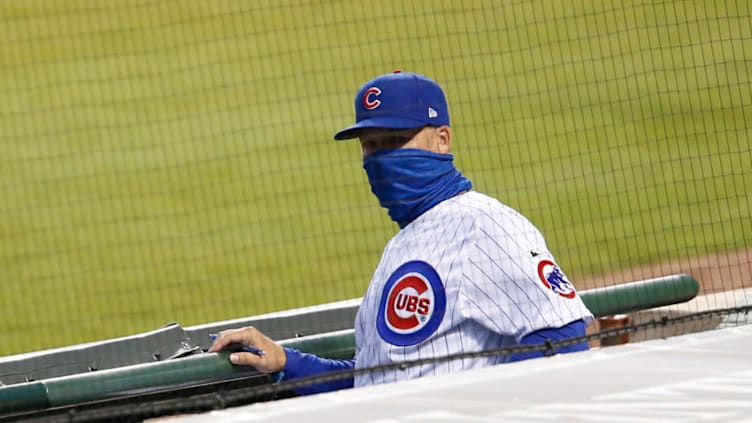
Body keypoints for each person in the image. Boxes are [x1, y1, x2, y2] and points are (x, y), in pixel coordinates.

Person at [209, 71, 594, 394]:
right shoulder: (402, 244)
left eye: (396, 141)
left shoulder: (485, 226)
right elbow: (375, 385)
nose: (382, 158)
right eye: (371, 146)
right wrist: (287, 362)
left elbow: (562, 343)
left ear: (442, 140)